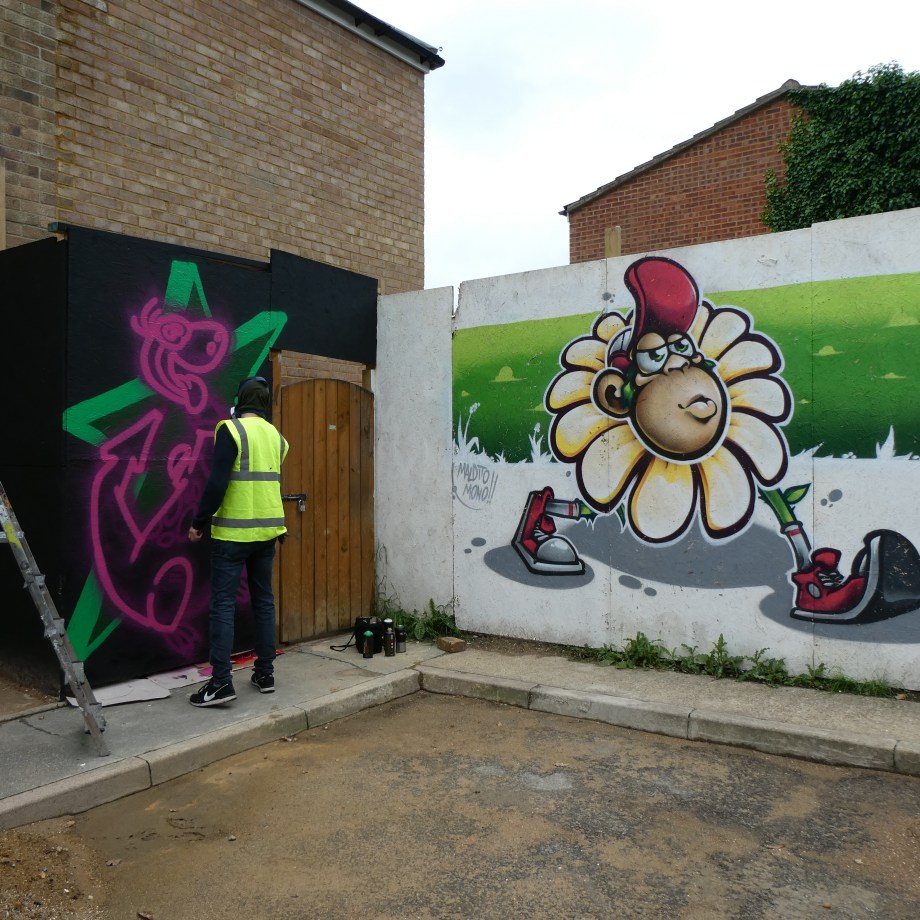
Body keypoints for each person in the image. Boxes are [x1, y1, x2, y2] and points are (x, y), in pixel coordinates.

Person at [187, 376, 289, 707]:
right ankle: (265, 674)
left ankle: (220, 683)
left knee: (223, 605)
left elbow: (217, 482)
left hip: (232, 535)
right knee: (264, 602)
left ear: (240, 401)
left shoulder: (230, 430)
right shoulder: (277, 437)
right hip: (267, 534)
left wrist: (199, 522)